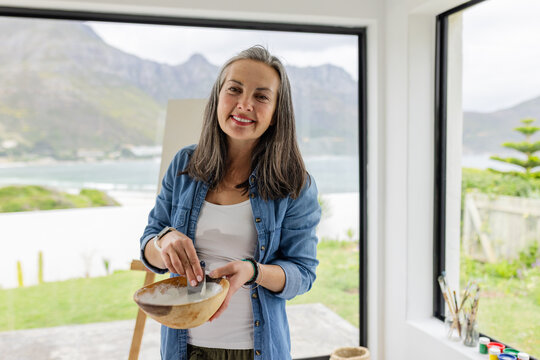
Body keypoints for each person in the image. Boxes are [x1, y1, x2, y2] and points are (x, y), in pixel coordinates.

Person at [140, 45, 321, 360]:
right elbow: (149, 247)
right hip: (183, 348)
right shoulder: (184, 164)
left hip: (256, 350)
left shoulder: (295, 184)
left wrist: (253, 271)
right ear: (218, 97)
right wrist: (164, 239)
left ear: (278, 111)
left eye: (261, 96)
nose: (245, 104)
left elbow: (302, 273)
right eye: (234, 90)